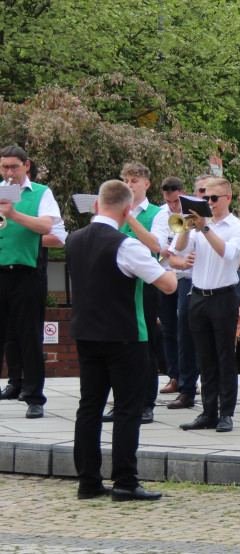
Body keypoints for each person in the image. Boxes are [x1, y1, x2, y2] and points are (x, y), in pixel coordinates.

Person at [67, 180, 177, 502]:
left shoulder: (73, 240)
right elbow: (169, 284)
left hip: (86, 334)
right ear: (129, 210)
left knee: (89, 408)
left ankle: (88, 482)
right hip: (125, 337)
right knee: (128, 410)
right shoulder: (126, 245)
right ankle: (125, 482)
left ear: (97, 205)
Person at [174, 177, 240, 433]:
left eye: (214, 198)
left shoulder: (239, 228)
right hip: (198, 295)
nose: (209, 202)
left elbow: (229, 254)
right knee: (205, 358)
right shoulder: (199, 226)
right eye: (206, 198)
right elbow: (180, 249)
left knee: (224, 357)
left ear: (228, 198)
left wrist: (205, 228)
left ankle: (226, 413)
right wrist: (188, 225)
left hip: (223, 296)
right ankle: (207, 412)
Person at [0, 145, 63, 419]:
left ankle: (34, 396)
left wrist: (13, 214)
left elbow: (47, 227)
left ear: (26, 166)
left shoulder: (40, 192)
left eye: (14, 166)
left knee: (29, 336)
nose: (9, 172)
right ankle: (13, 382)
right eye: (4, 167)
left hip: (26, 272)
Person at [101, 163, 162, 425]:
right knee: (117, 344)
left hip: (145, 285)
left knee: (145, 344)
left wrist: (129, 217)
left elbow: (156, 246)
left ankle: (147, 402)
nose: (129, 184)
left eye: (134, 180)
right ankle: (121, 401)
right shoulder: (112, 211)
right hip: (115, 284)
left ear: (146, 184)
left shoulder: (158, 213)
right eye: (125, 179)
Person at [164, 174, 214, 410]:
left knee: (216, 341)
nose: (206, 196)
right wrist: (183, 263)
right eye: (202, 191)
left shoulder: (226, 222)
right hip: (189, 282)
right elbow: (173, 258)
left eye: (211, 193)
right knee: (185, 336)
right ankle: (186, 390)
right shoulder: (187, 222)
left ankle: (217, 390)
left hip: (218, 285)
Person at [151, 176, 186, 395]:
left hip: (184, 275)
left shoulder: (192, 210)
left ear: (182, 193)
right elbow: (156, 240)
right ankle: (174, 376)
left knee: (186, 327)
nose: (172, 206)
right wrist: (164, 247)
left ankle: (190, 376)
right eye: (168, 201)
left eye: (175, 201)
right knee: (169, 328)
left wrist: (171, 247)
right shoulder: (160, 213)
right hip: (164, 274)